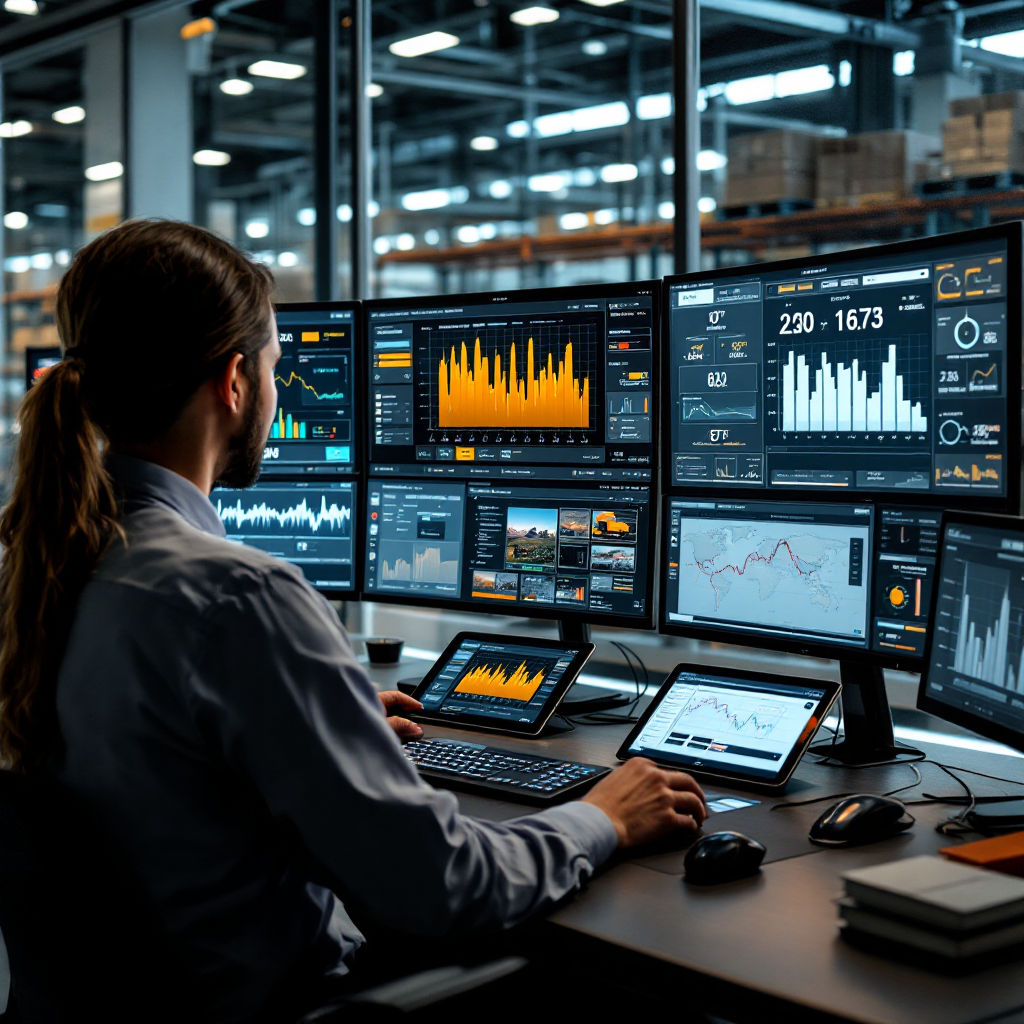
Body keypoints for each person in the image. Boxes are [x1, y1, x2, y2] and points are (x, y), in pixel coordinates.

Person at [0, 220, 707, 1023]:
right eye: (274, 369)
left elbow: (151, 771)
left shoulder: (40, 567)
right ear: (233, 382)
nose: (275, 390)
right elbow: (445, 886)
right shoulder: (237, 595)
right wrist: (602, 816)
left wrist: (311, 726)